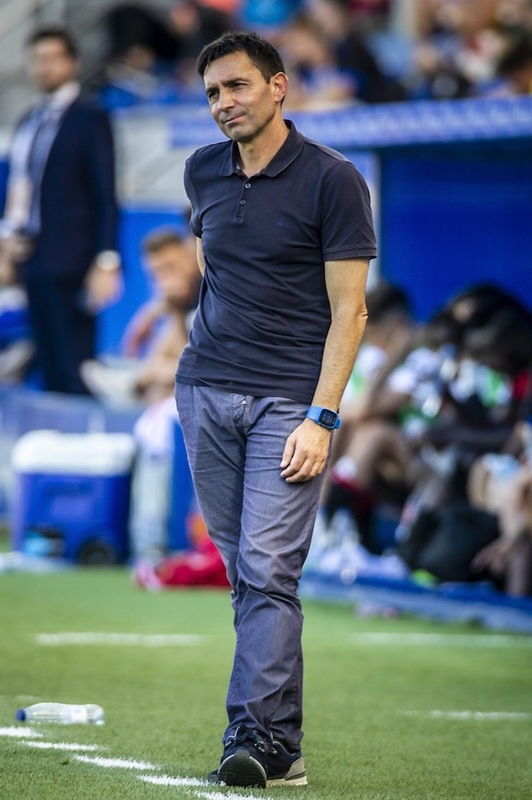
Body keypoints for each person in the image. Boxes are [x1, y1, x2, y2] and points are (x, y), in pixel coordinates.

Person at [174, 30, 376, 788]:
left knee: (267, 567)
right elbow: (212, 271)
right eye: (213, 94)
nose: (224, 103)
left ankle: (250, 734)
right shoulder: (202, 172)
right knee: (248, 574)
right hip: (204, 392)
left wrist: (322, 418)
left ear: (279, 86)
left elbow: (350, 313)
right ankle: (281, 748)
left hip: (289, 403)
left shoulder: (334, 180)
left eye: (237, 86)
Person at [0, 26, 121, 394]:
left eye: (53, 58)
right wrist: (7, 238)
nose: (45, 67)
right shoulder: (27, 121)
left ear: (73, 62)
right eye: (38, 59)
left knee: (73, 365)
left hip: (73, 260)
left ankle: (79, 446)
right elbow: (18, 186)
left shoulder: (90, 117)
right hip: (30, 257)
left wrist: (106, 261)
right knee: (46, 364)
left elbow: (105, 192)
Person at [81, 227, 200, 406]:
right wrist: (165, 309)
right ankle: (135, 382)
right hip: (191, 376)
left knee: (165, 380)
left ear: (190, 256)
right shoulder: (178, 299)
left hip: (219, 377)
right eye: (157, 273)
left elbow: (197, 361)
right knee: (158, 389)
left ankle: (133, 384)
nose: (165, 279)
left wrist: (156, 372)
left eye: (170, 267)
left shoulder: (211, 290)